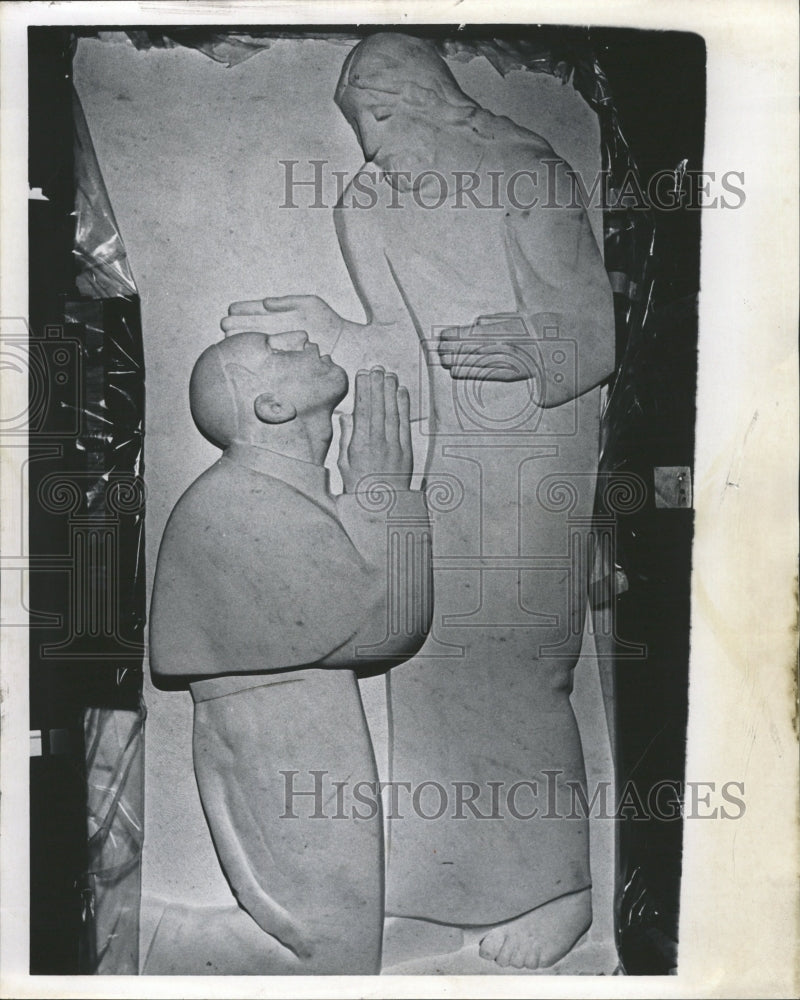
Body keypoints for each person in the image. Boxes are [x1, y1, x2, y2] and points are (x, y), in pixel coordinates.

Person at [222, 32, 615, 971]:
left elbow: (594, 334)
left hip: (530, 448)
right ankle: (459, 881)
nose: (370, 143)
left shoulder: (524, 170)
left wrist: (532, 345)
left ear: (437, 98)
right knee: (428, 660)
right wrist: (331, 330)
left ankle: (559, 889)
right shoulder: (370, 203)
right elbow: (400, 343)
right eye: (358, 124)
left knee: (520, 664)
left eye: (387, 115)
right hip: (447, 456)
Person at [146, 330, 431, 974]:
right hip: (280, 728)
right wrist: (387, 494)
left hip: (300, 717)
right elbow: (386, 625)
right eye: (277, 350)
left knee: (342, 943)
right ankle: (145, 938)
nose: (300, 339)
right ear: (271, 406)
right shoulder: (239, 502)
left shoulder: (280, 491)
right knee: (330, 955)